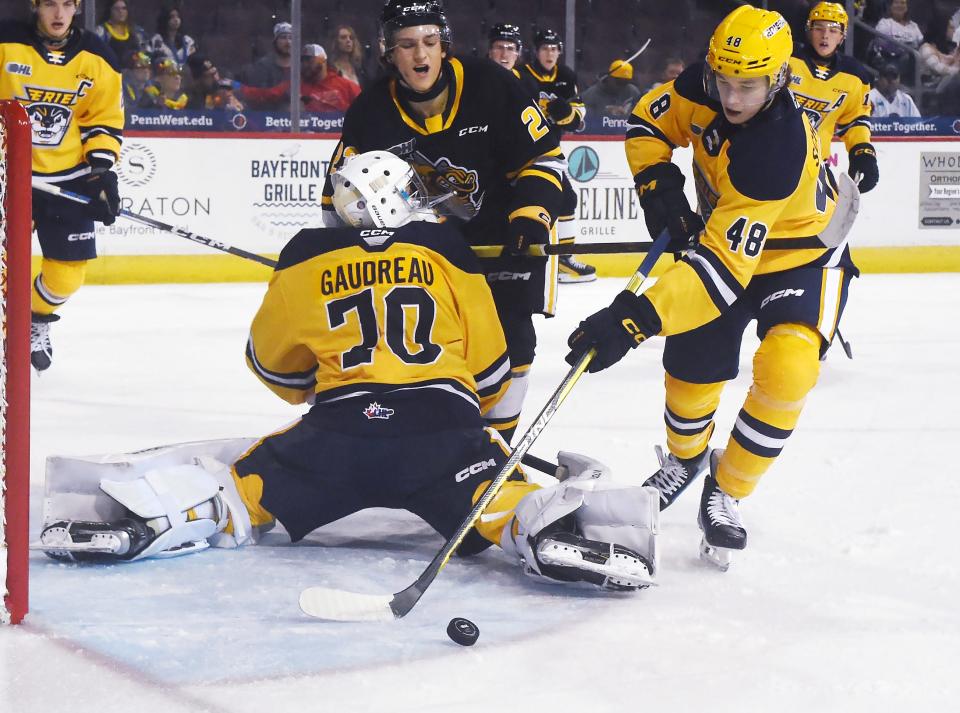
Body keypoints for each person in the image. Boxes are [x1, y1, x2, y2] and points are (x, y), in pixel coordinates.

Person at [37, 151, 660, 595]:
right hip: (442, 435)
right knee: (498, 498)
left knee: (241, 488)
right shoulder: (448, 251)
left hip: (338, 436)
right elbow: (493, 368)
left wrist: (326, 377)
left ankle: (157, 520)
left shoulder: (307, 255)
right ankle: (545, 534)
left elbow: (271, 368)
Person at [565, 5, 857, 569]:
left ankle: (728, 486)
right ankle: (686, 457)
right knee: (692, 364)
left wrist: (632, 319)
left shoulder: (777, 149)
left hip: (801, 252)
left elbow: (720, 277)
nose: (732, 98)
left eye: (748, 86)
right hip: (724, 238)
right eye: (724, 81)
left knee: (790, 366)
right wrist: (660, 189)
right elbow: (647, 123)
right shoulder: (698, 84)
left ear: (779, 78)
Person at [320, 0, 567, 445]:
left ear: (444, 45)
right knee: (430, 344)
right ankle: (452, 442)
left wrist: (531, 214)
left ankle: (497, 447)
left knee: (512, 342)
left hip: (506, 235)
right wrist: (344, 251)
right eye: (408, 45)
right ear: (388, 52)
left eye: (430, 43)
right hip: (429, 249)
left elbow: (545, 158)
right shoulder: (371, 112)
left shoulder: (493, 84)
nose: (421, 56)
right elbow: (336, 195)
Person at [0, 0, 123, 372]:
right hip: (6, 174)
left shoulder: (96, 55)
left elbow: (102, 118)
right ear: (35, 6)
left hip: (66, 177)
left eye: (67, 5)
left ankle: (35, 318)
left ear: (77, 8)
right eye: (50, 4)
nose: (58, 14)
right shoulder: (6, 41)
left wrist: (101, 172)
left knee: (67, 275)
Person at [518, 28, 596, 284]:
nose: (550, 53)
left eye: (554, 49)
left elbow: (578, 119)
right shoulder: (522, 75)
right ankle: (550, 256)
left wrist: (565, 115)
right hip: (524, 152)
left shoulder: (566, 76)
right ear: (535, 51)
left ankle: (563, 257)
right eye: (545, 48)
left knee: (567, 200)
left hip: (550, 151)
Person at [788, 2, 879, 194]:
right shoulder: (787, 58)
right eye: (818, 27)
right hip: (768, 156)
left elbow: (855, 121)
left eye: (833, 29)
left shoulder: (855, 76)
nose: (825, 35)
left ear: (843, 35)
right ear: (808, 30)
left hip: (814, 168)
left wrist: (863, 153)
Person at [241, 44, 360, 112]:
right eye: (303, 61)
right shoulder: (295, 85)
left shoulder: (346, 85)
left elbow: (365, 108)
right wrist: (239, 88)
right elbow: (268, 94)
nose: (305, 65)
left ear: (322, 61)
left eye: (309, 60)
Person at [237, 21, 292, 93]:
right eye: (283, 37)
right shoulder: (263, 66)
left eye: (291, 38)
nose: (288, 42)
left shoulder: (300, 67)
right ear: (275, 41)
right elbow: (257, 93)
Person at [94, 0, 144, 67]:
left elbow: (145, 55)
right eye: (116, 9)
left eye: (124, 8)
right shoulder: (101, 32)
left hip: (133, 74)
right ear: (110, 11)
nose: (120, 12)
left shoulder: (137, 32)